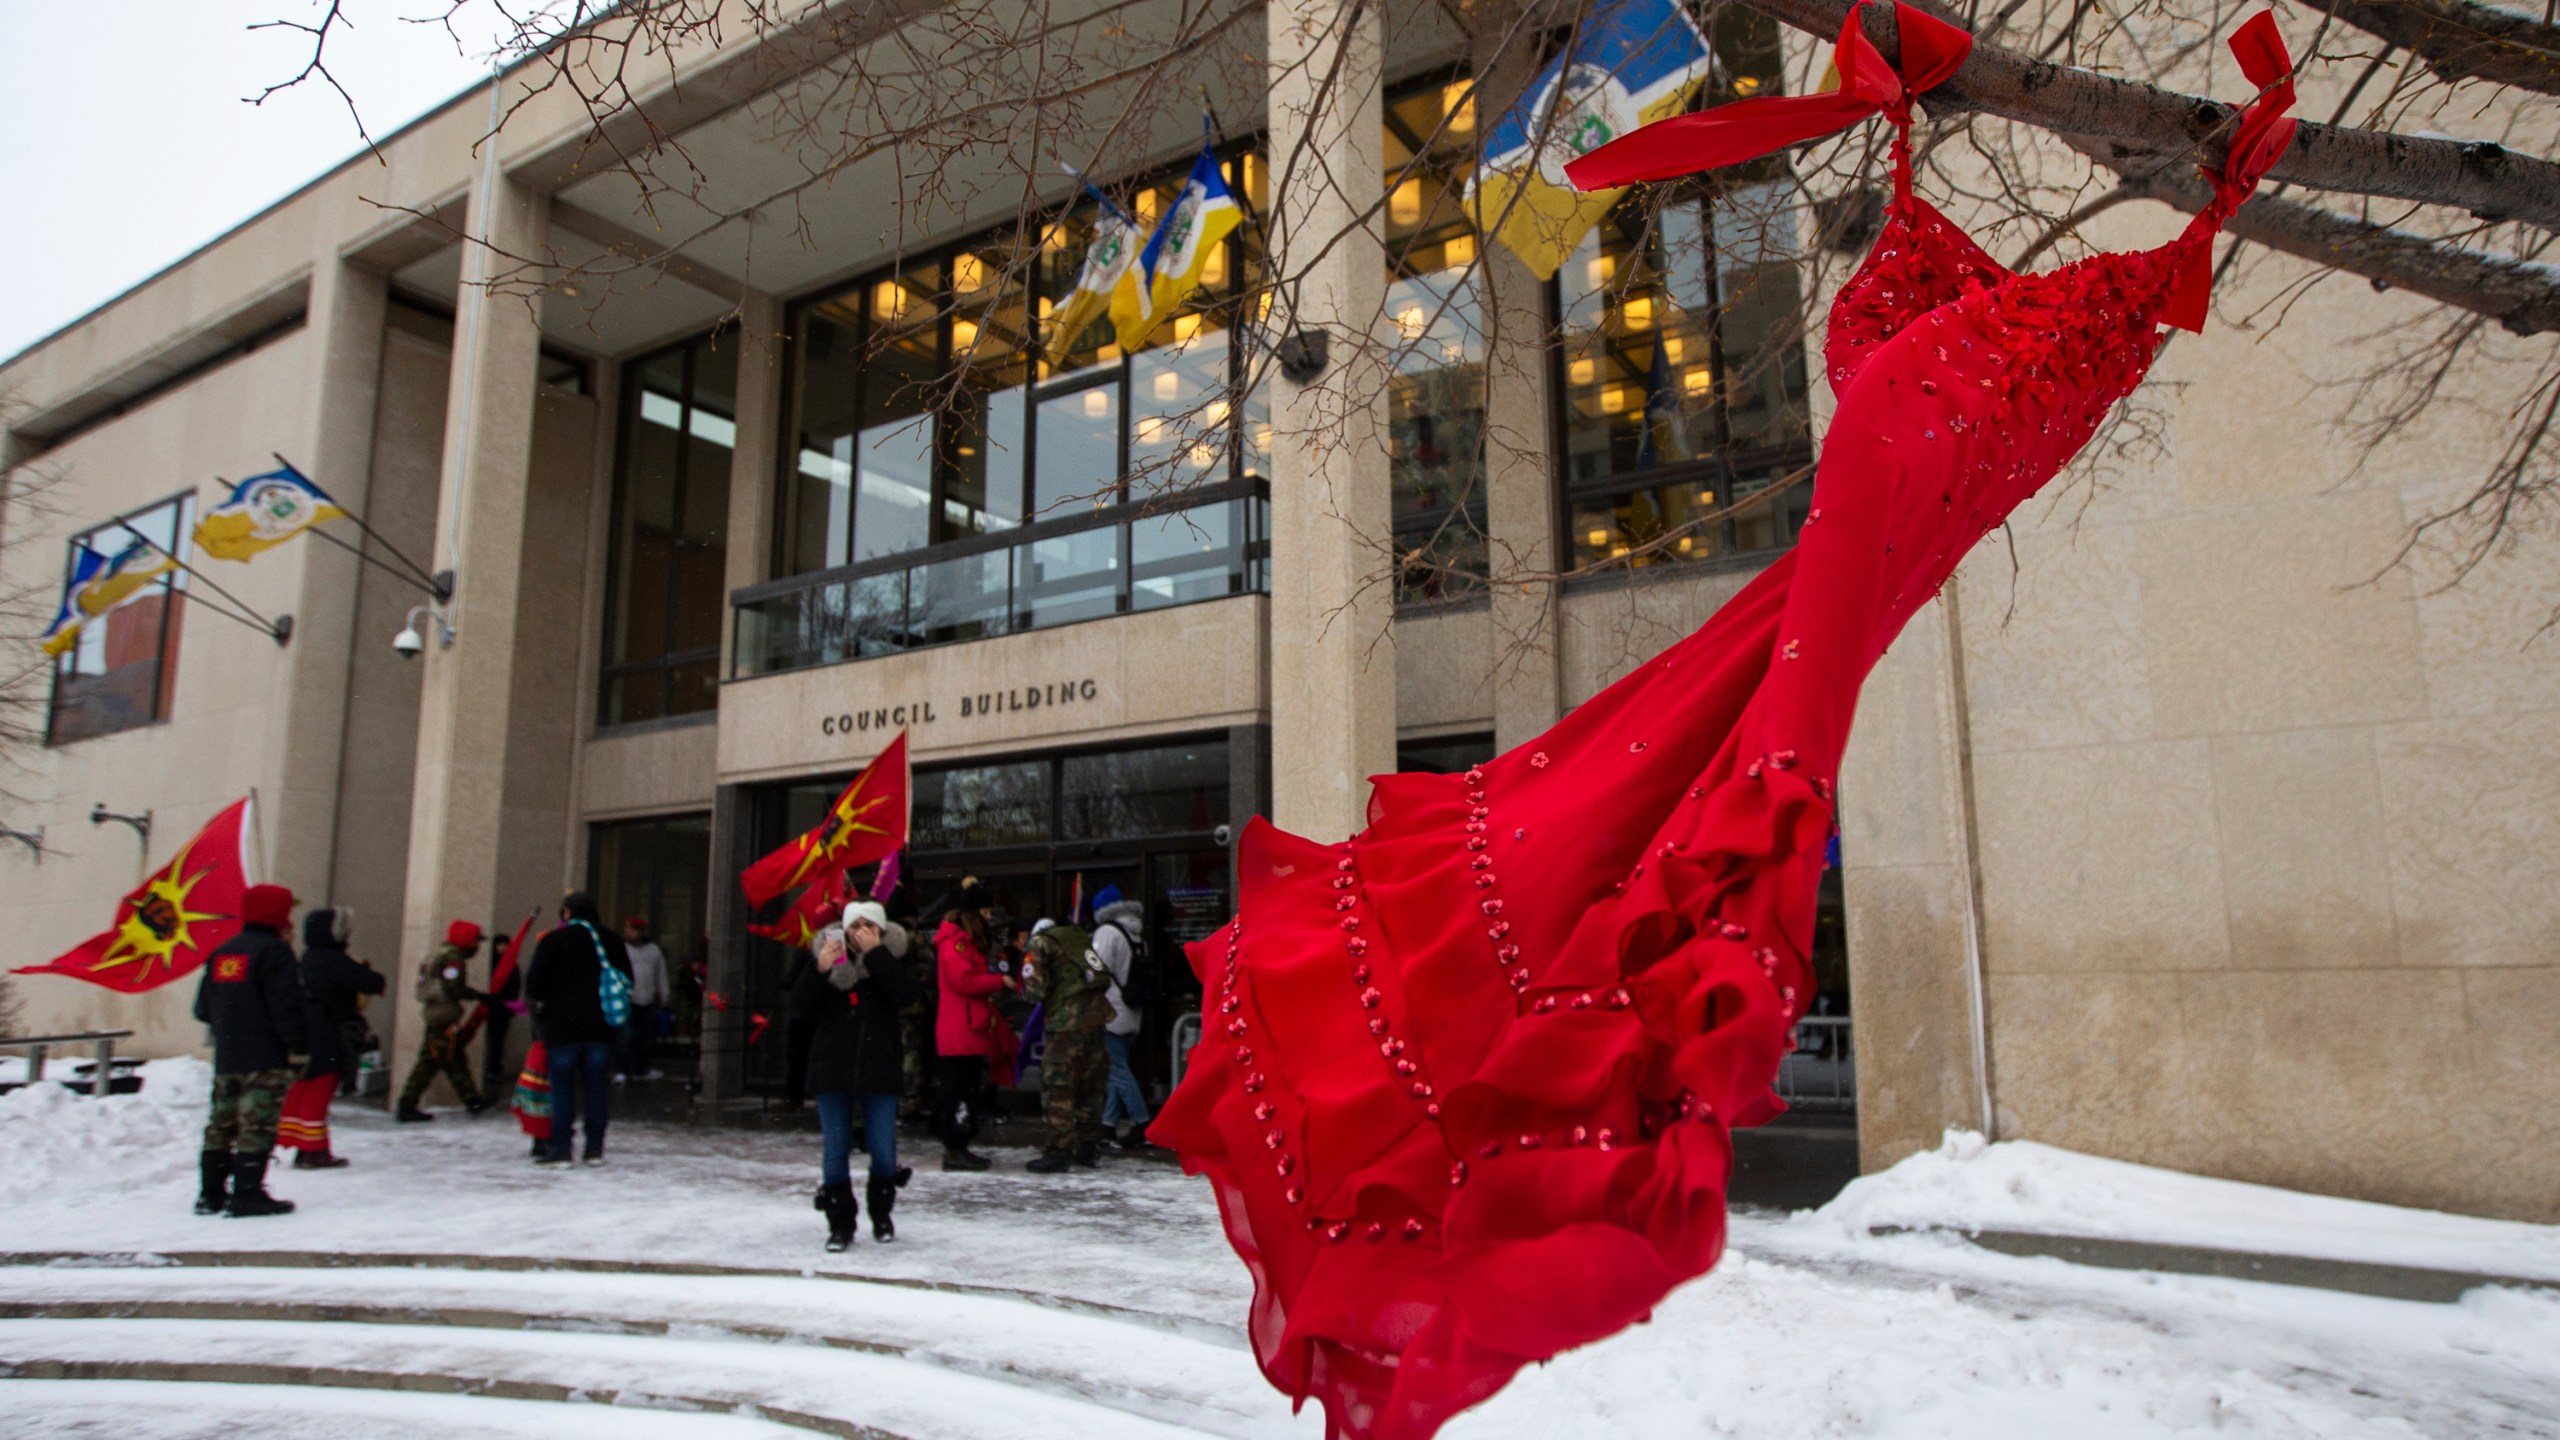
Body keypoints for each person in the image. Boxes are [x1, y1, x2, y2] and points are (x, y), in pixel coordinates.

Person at [795, 900, 918, 1250]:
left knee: (883, 1149)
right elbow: (800, 1008)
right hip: (833, 1069)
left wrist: (877, 955)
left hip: (879, 1067)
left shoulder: (893, 955)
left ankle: (881, 1215)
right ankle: (840, 1224)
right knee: (835, 1151)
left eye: (869, 925)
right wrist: (818, 971)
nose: (860, 932)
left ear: (880, 929)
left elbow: (906, 996)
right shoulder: (826, 954)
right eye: (855, 925)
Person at [191, 883, 308, 1218]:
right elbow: (285, 1007)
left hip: (228, 1057)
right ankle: (247, 1192)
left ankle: (210, 1194)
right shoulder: (275, 952)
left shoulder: (223, 952)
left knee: (221, 1123)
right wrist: (298, 1047)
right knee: (256, 1124)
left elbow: (202, 1009)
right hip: (265, 1056)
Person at [520, 891, 631, 1167]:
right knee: (596, 1087)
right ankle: (594, 1148)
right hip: (601, 1027)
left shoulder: (554, 940)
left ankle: (561, 1148)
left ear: (567, 913)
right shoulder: (612, 940)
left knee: (562, 1088)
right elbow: (629, 980)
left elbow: (534, 985)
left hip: (561, 1027)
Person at [283, 907, 384, 1168]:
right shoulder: (332, 958)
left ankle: (301, 1144)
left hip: (311, 1032)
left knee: (306, 1086)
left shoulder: (309, 957)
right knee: (321, 1088)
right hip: (330, 1032)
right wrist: (363, 968)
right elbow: (372, 982)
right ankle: (314, 1150)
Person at [930, 879, 1008, 1172]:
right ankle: (954, 1147)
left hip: (967, 1027)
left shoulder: (964, 941)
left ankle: (959, 1144)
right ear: (973, 913)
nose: (989, 917)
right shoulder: (955, 942)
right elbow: (962, 981)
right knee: (957, 1089)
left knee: (964, 1088)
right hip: (960, 1029)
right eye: (986, 912)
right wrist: (999, 981)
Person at [1023, 917, 1111, 1173]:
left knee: (1058, 1083)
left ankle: (1059, 1150)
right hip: (1096, 1019)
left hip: (1066, 1024)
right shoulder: (1077, 937)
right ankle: (1088, 1147)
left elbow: (1033, 992)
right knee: (1090, 1084)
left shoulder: (1041, 943)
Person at [396, 921, 489, 1122]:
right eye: (474, 941)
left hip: (438, 1015)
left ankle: (472, 1099)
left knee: (453, 1058)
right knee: (430, 1061)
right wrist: (476, 995)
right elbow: (453, 988)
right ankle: (406, 1105)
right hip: (443, 1016)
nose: (476, 946)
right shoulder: (453, 959)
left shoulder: (439, 955)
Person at [1092, 896, 1153, 1149]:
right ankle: (1108, 1126)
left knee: (1117, 1070)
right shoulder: (1137, 936)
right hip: (1131, 1011)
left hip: (1111, 1011)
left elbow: (1095, 969)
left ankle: (1142, 1124)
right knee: (1118, 1070)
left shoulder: (1107, 932)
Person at [478, 918, 526, 1101]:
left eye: (506, 945)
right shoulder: (491, 964)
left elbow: (514, 987)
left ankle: (493, 1069)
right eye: (500, 945)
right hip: (489, 1007)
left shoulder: (511, 967)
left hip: (501, 1009)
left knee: (497, 1041)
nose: (503, 948)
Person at [621, 916, 669, 1080]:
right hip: (629, 1000)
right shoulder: (623, 949)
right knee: (626, 1036)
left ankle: (642, 1069)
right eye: (627, 928)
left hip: (647, 1000)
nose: (627, 932)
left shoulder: (653, 950)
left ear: (640, 932)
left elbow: (661, 974)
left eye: (631, 929)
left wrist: (664, 995)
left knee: (645, 1037)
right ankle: (624, 1070)